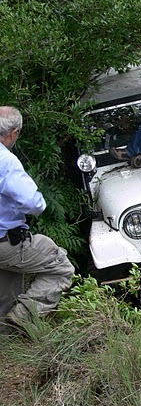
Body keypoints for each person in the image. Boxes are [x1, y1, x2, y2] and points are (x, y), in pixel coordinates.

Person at [0, 106, 74, 333]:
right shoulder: (6, 161)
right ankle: (24, 316)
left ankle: (7, 341)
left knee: (7, 294)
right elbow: (32, 202)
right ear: (14, 133)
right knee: (60, 267)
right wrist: (37, 205)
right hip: (6, 240)